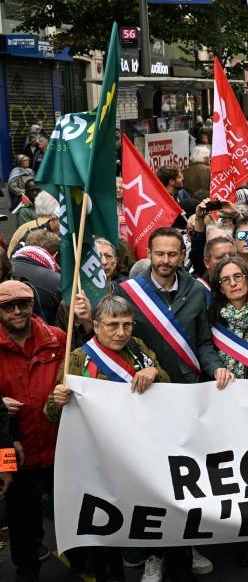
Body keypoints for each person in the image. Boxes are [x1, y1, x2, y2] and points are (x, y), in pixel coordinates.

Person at [115, 228, 231, 582]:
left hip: (186, 394)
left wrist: (216, 368)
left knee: (188, 477)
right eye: (159, 254)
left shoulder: (197, 291)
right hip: (145, 398)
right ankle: (154, 553)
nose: (166, 261)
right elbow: (116, 339)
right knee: (153, 481)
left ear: (183, 255)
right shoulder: (128, 293)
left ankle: (189, 543)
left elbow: (203, 341)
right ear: (148, 253)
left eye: (173, 254)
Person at [44, 295, 169, 582]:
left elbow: (168, 388)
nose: (121, 332)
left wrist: (155, 373)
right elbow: (50, 413)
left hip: (141, 452)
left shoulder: (139, 349)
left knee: (147, 511)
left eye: (127, 325)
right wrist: (58, 399)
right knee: (106, 520)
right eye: (113, 325)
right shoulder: (77, 358)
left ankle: (153, 556)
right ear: (97, 325)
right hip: (98, 458)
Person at [0, 280, 65, 582]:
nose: (17, 311)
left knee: (64, 503)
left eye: (23, 304)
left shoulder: (57, 339)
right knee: (17, 507)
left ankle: (79, 556)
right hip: (9, 447)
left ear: (32, 305)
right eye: (8, 306)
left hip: (57, 443)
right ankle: (26, 567)